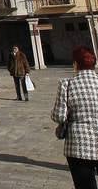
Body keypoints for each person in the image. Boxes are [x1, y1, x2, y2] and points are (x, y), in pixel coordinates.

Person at [51, 46, 98, 189]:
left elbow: (59, 116)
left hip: (78, 144)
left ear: (76, 64)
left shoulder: (68, 84)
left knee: (85, 185)